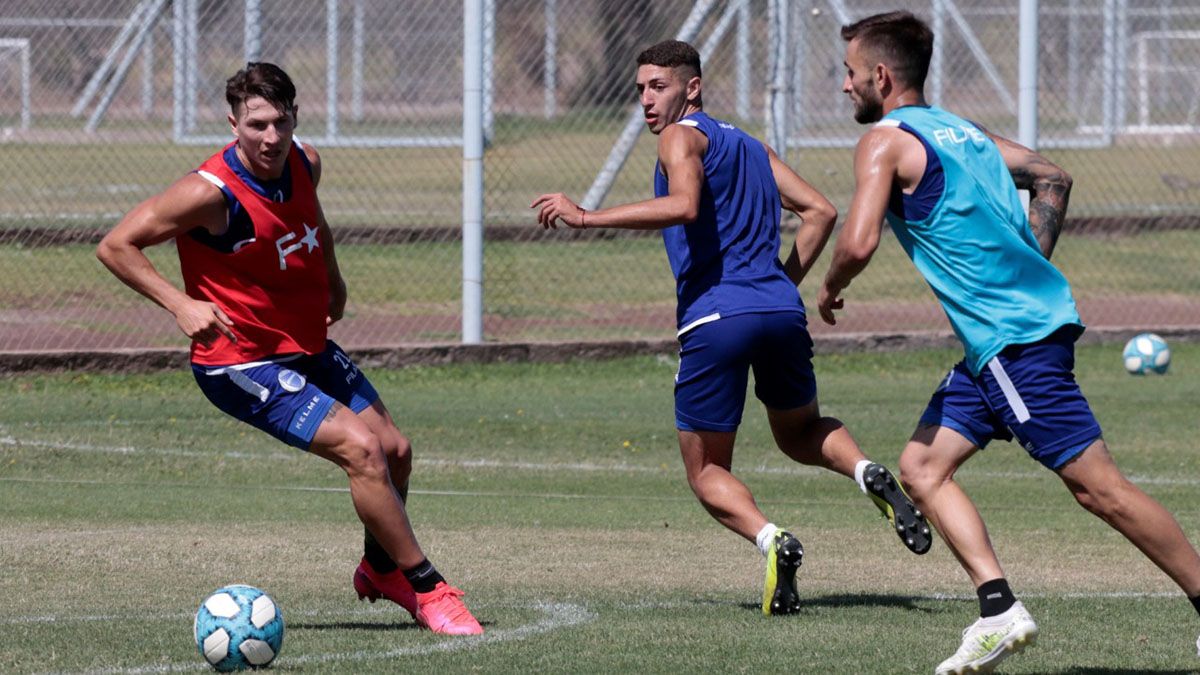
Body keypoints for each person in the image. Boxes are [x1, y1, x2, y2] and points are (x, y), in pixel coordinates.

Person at [824, 11, 1200, 673]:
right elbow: (1053, 175)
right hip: (1005, 342)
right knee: (921, 468)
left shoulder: (883, 140)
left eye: (850, 74)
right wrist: (1030, 265)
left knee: (1099, 489)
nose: (845, 87)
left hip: (1011, 346)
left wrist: (828, 289)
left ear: (882, 76)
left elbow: (856, 242)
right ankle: (998, 608)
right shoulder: (964, 132)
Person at [532, 40, 930, 617]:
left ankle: (773, 541)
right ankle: (866, 470)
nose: (645, 99)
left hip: (715, 317)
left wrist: (587, 215)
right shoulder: (748, 144)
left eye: (658, 87)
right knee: (800, 433)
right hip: (778, 311)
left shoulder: (678, 137)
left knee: (708, 471)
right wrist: (781, 284)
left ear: (691, 88)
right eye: (640, 88)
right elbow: (820, 212)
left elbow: (686, 205)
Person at [96, 62, 482, 636]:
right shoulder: (209, 194)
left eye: (280, 122)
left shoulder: (305, 160)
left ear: (295, 116)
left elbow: (313, 221)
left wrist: (333, 276)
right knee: (363, 451)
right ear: (233, 124)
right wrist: (180, 304)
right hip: (240, 362)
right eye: (256, 125)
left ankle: (379, 569)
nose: (270, 138)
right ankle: (429, 588)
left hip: (303, 344)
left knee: (396, 451)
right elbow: (116, 245)